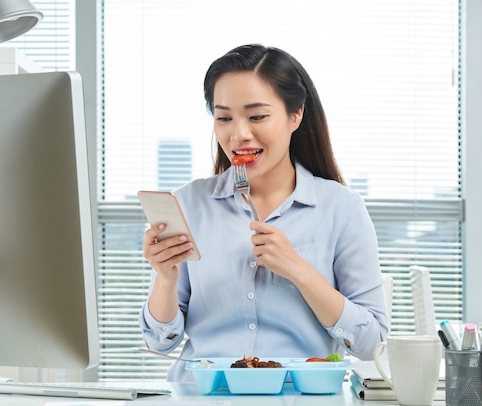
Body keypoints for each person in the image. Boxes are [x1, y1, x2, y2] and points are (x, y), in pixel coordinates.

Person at [139, 44, 388, 382]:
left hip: (301, 403)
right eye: (224, 117)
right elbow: (159, 342)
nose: (239, 134)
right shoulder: (188, 204)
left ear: (295, 115)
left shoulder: (341, 209)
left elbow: (373, 343)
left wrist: (298, 270)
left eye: (257, 116)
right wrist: (166, 278)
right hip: (201, 403)